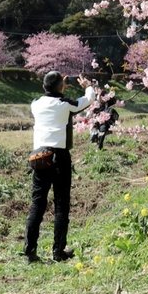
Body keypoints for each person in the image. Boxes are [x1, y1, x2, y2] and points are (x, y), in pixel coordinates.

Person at [23, 71, 95, 263]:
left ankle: (30, 250)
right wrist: (86, 84)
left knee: (37, 204)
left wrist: (59, 88)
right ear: (60, 87)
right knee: (61, 205)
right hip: (59, 157)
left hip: (39, 156)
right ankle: (58, 251)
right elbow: (87, 100)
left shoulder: (35, 104)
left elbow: (51, 96)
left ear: (43, 87)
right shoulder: (64, 105)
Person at [88, 83, 119, 148]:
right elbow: (90, 110)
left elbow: (114, 101)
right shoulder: (93, 99)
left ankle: (100, 145)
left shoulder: (106, 99)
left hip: (105, 120)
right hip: (96, 120)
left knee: (103, 129)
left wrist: (111, 92)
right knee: (93, 135)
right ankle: (96, 140)